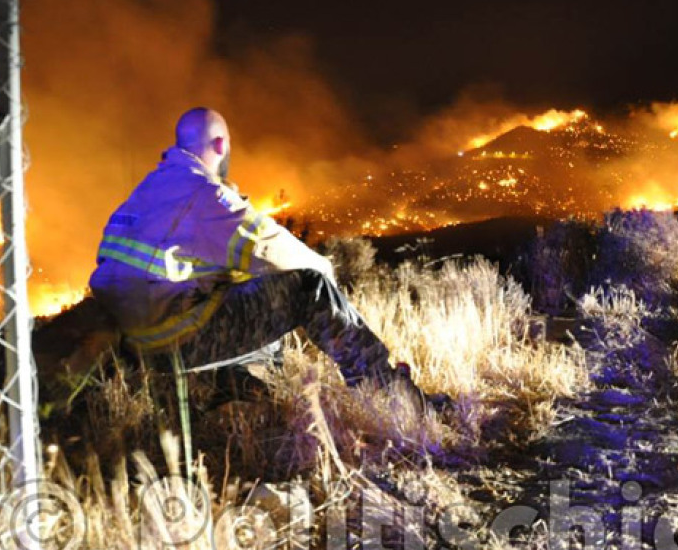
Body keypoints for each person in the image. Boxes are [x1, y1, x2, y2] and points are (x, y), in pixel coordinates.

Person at [88, 107, 447, 409]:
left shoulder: (144, 192)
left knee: (249, 296)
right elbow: (277, 252)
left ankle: (250, 392)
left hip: (132, 346)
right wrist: (326, 273)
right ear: (220, 145)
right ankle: (393, 399)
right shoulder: (204, 195)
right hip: (172, 343)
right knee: (307, 287)